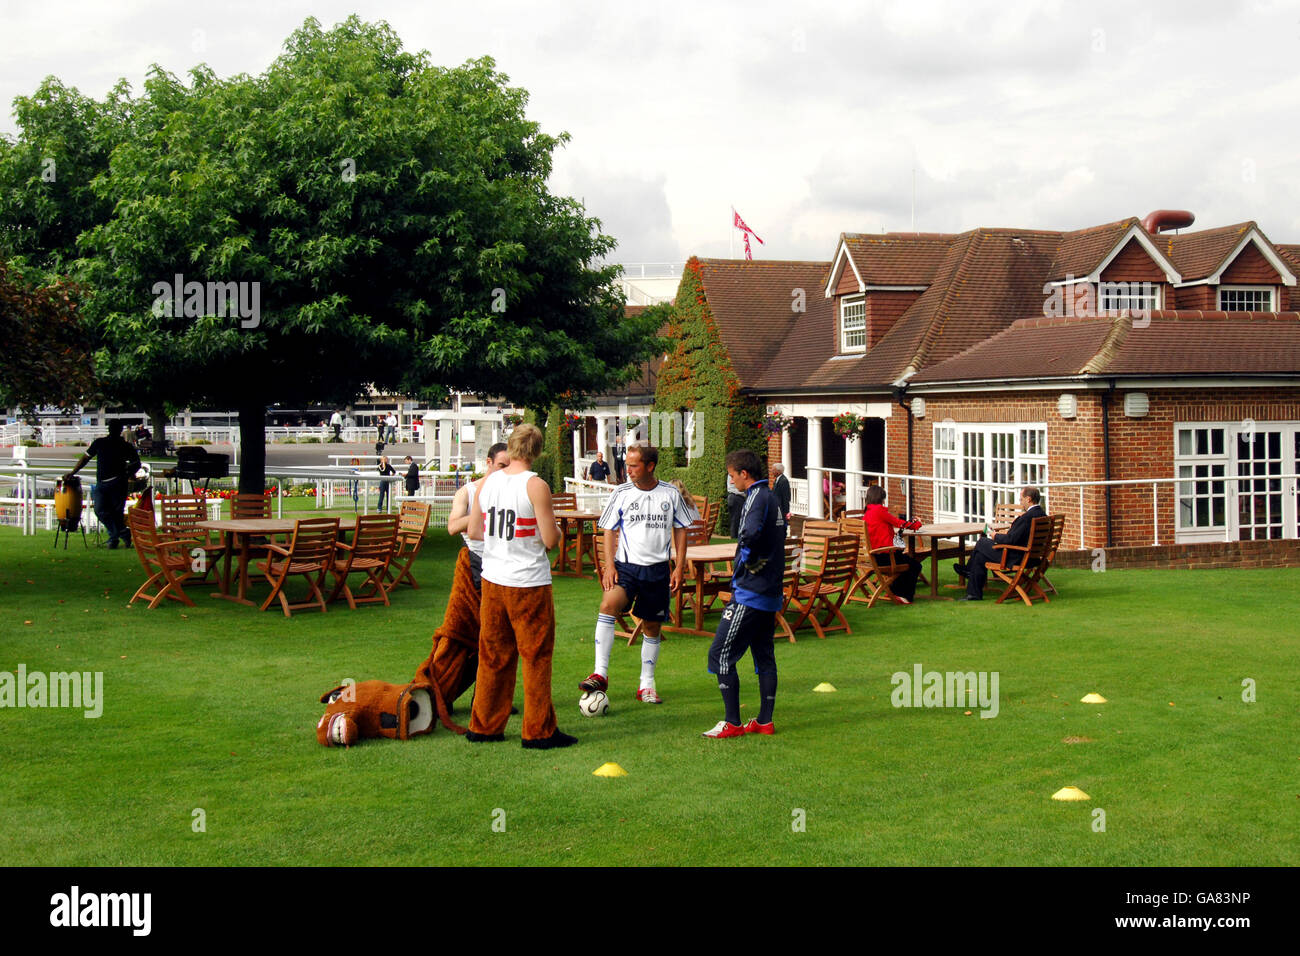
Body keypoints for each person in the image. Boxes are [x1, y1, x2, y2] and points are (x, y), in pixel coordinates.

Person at [466, 424, 575, 749]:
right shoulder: (536, 486)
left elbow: (474, 531)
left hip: (493, 579)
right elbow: (551, 540)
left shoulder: (487, 482)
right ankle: (538, 730)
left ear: (511, 447)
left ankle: (484, 725)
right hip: (527, 582)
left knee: (493, 655)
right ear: (538, 451)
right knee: (536, 656)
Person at [580, 444, 698, 704]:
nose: (628, 470)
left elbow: (681, 529)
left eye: (633, 466)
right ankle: (600, 673)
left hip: (657, 570)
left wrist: (678, 567)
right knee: (608, 604)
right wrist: (609, 565)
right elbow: (608, 529)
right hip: (626, 568)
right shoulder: (621, 492)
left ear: (650, 466)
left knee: (652, 626)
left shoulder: (669, 493)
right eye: (627, 465)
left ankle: (646, 684)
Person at [413, 443, 511, 709]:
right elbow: (453, 526)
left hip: (505, 566)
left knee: (501, 636)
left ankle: (490, 694)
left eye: (509, 466)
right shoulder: (467, 492)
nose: (505, 471)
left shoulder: (511, 491)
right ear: (489, 463)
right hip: (476, 568)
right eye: (502, 465)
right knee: (473, 634)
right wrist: (481, 510)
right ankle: (444, 690)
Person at [704, 449, 785, 738]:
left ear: (744, 474)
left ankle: (732, 722)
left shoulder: (754, 497)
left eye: (731, 476)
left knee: (720, 654)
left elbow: (748, 535)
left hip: (751, 592)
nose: (731, 481)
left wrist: (742, 568)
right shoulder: (772, 497)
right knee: (764, 654)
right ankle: (764, 721)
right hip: (771, 591)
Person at [954, 486, 1047, 601]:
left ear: (1028, 499)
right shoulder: (1043, 516)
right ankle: (973, 593)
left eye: (1021, 500)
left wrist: (995, 535)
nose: (1021, 503)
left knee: (982, 542)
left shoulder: (1027, 518)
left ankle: (969, 571)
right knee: (980, 556)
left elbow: (1010, 540)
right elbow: (1017, 537)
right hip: (1032, 557)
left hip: (1016, 557)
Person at [64, 420, 141, 549]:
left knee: (116, 513)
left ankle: (114, 538)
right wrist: (72, 472)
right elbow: (85, 458)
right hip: (104, 483)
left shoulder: (124, 445)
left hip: (118, 483)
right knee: (100, 510)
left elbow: (136, 463)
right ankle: (122, 533)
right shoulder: (100, 443)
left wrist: (127, 474)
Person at [863, 485, 922, 604]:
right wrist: (916, 524)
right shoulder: (879, 511)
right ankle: (904, 596)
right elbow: (898, 522)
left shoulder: (867, 512)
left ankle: (893, 591)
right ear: (881, 498)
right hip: (885, 556)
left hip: (874, 556)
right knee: (915, 565)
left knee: (906, 560)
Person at [770, 463, 792, 532]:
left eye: (773, 470)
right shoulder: (777, 480)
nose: (771, 471)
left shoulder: (783, 481)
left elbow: (786, 497)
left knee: (781, 527)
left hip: (781, 509)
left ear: (778, 471)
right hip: (776, 508)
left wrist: (785, 512)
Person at [726, 471, 746, 538]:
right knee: (735, 520)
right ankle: (734, 538)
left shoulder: (734, 473)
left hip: (734, 497)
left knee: (735, 519)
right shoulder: (734, 473)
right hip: (736, 497)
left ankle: (735, 537)